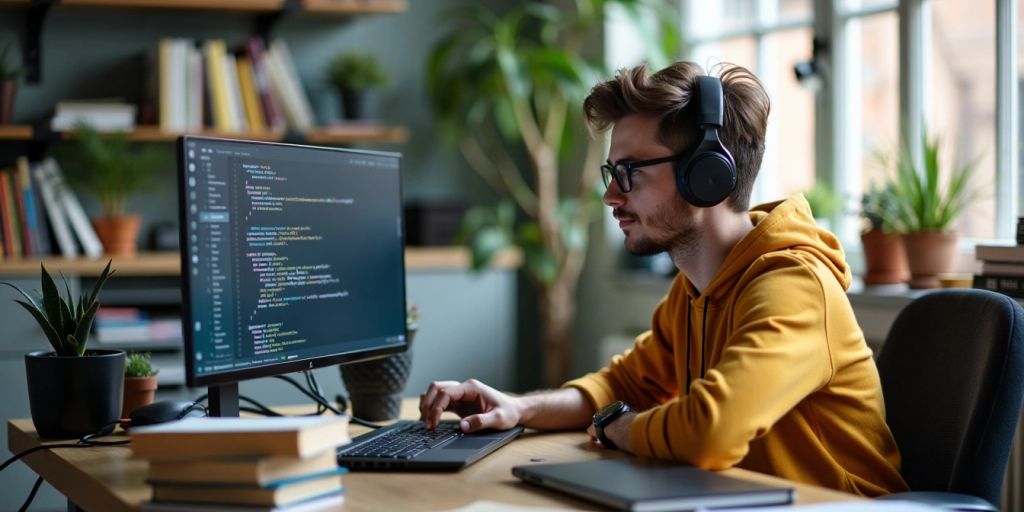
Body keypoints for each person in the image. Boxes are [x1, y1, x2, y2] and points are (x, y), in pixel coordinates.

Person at [419, 61, 909, 496]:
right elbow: (622, 383)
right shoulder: (695, 288)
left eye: (630, 171)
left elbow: (710, 432)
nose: (611, 195)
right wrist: (519, 409)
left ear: (707, 175)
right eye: (612, 171)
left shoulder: (793, 287)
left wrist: (622, 428)